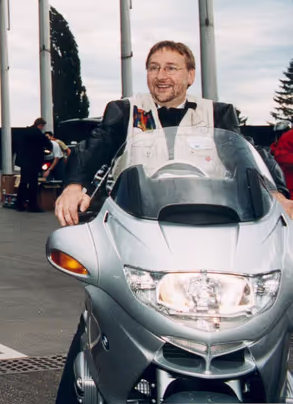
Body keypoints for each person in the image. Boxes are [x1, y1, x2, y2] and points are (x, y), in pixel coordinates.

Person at [51, 40, 293, 404]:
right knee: (100, 312)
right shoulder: (126, 110)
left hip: (213, 227)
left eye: (171, 67)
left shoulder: (219, 113)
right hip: (140, 226)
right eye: (154, 67)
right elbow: (94, 147)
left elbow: (249, 156)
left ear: (190, 75)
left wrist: (276, 194)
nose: (161, 76)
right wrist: (73, 185)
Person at [15, 118, 52, 212]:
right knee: (33, 184)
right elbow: (48, 145)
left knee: (23, 182)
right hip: (33, 161)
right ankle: (32, 205)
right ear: (40, 125)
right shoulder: (38, 134)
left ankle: (19, 204)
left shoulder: (25, 132)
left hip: (24, 161)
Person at [273, 120, 293, 193]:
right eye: (279, 134)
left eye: (284, 132)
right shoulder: (269, 152)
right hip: (281, 189)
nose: (282, 136)